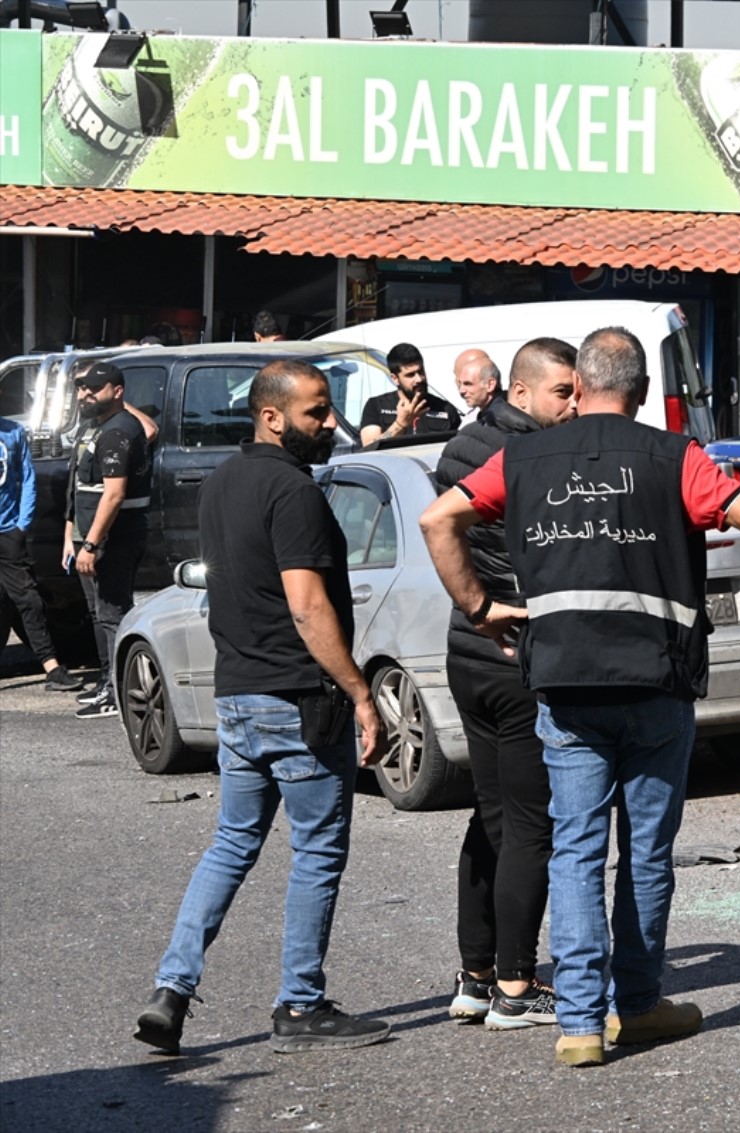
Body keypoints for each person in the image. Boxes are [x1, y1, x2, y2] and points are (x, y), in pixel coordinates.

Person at [419, 327, 740, 1068]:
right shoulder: (674, 457)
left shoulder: (519, 458)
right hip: (655, 684)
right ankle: (640, 1002)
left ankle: (581, 1024)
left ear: (580, 387)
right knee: (646, 853)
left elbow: (440, 519)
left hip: (562, 680)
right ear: (645, 391)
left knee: (577, 847)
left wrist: (477, 606)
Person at [134, 359, 390, 1057]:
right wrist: (360, 693)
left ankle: (172, 989)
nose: (330, 421)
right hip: (299, 698)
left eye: (329, 408)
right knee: (316, 851)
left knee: (231, 845)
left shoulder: (222, 483)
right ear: (271, 415)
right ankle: (301, 1004)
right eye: (316, 411)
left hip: (239, 695)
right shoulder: (293, 491)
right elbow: (307, 606)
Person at [434, 338, 578, 1031]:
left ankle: (476, 975)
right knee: (527, 824)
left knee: (490, 816)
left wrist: (472, 607)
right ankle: (517, 986)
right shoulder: (533, 459)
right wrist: (493, 608)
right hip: (516, 650)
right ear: (519, 392)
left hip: (468, 650)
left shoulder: (462, 448)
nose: (574, 404)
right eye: (563, 393)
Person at [61, 362, 152, 719]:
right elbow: (78, 486)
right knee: (100, 615)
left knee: (114, 616)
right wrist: (71, 535)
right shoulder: (94, 427)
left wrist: (92, 544)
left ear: (117, 392)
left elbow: (113, 496)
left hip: (113, 540)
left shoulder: (119, 431)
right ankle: (108, 682)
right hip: (86, 535)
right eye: (82, 389)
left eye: (94, 389)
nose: (85, 394)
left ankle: (120, 691)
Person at [0, 414, 83, 691]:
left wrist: (22, 525)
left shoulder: (13, 432)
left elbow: (27, 477)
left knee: (29, 599)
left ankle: (52, 668)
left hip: (9, 531)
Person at [359, 342, 461, 447]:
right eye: (410, 375)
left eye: (421, 372)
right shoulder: (376, 406)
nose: (419, 379)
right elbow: (368, 447)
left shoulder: (445, 409)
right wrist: (400, 424)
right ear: (395, 378)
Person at [454, 348, 504, 424]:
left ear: (490, 384)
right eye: (460, 382)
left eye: (468, 384)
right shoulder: (479, 415)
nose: (462, 391)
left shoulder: (502, 418)